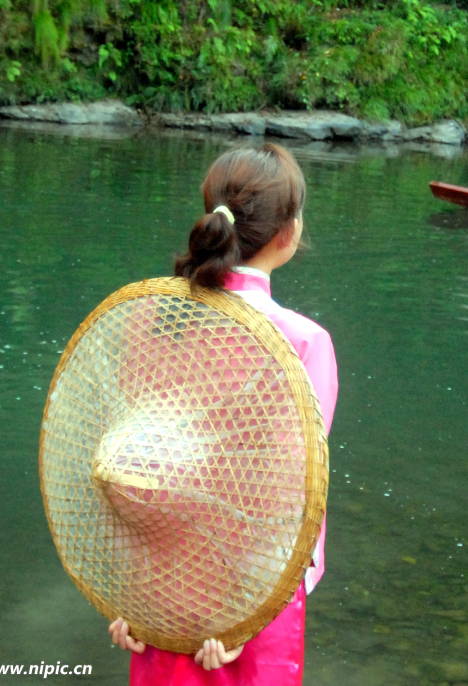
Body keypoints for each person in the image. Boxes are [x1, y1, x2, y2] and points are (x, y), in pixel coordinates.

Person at [108, 142, 338, 686]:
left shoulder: (148, 321)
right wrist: (242, 617)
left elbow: (126, 466)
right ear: (289, 232)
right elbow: (286, 496)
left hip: (156, 586)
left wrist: (121, 591)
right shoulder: (304, 343)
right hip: (253, 598)